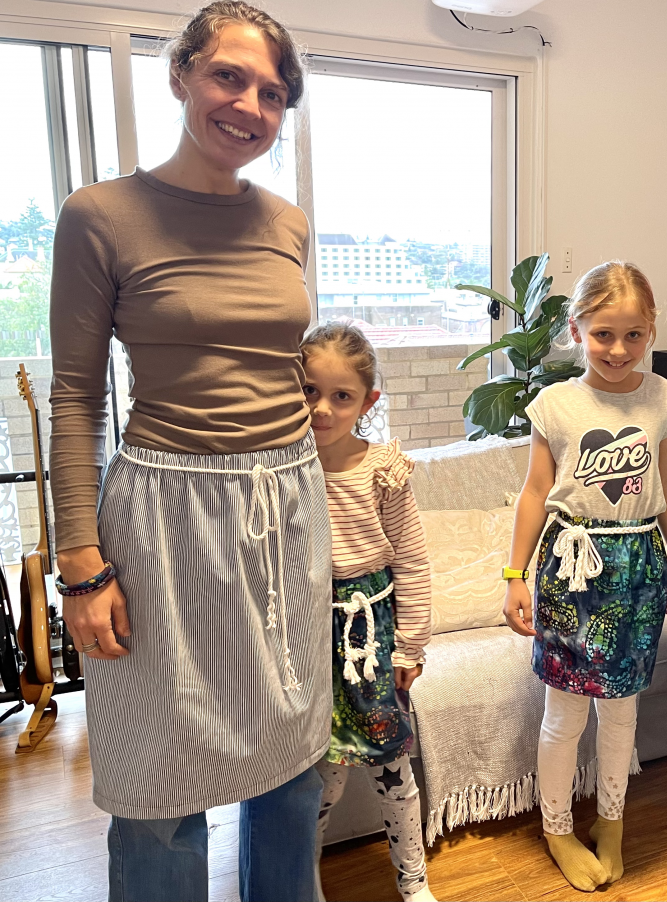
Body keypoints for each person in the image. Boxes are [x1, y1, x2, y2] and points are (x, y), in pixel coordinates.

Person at [48, 4, 331, 900]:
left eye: (274, 94)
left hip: (284, 505)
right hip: (166, 513)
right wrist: (81, 567)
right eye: (230, 77)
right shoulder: (100, 216)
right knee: (161, 779)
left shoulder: (286, 222)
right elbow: (75, 396)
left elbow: (283, 368)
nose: (250, 105)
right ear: (181, 76)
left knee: (290, 761)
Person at [502, 261, 667, 892]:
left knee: (622, 713)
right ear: (576, 331)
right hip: (571, 571)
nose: (618, 348)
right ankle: (556, 827)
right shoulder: (554, 404)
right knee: (566, 714)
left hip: (637, 569)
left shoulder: (662, 397)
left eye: (633, 334)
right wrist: (514, 574)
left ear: (651, 330)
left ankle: (613, 821)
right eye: (603, 333)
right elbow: (534, 492)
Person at [300, 323, 435, 902]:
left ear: (367, 401)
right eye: (309, 392)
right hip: (307, 631)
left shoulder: (383, 471)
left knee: (391, 769)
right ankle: (300, 881)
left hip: (371, 632)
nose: (322, 409)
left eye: (341, 396)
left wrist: (410, 643)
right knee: (316, 776)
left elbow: (411, 559)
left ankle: (414, 881)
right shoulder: (283, 468)